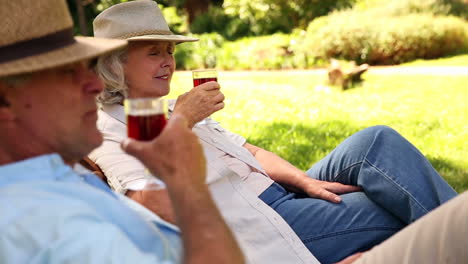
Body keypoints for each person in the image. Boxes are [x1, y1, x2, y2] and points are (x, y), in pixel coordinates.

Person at [89, 1, 459, 263]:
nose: (168, 61)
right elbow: (153, 208)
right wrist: (183, 122)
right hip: (258, 222)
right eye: (154, 53)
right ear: (116, 63)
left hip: (278, 194)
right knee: (393, 205)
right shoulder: (108, 128)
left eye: (169, 50)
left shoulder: (159, 109)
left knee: (376, 141)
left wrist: (304, 181)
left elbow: (248, 150)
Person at [0, 0, 244, 263]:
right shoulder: (52, 223)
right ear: (5, 102)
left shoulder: (55, 173)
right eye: (68, 72)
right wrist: (187, 184)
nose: (95, 83)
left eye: (87, 67)